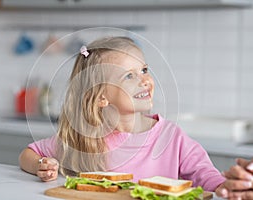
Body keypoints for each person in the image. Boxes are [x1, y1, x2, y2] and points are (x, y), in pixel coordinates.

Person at [19, 36, 225, 192]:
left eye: (144, 70)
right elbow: (28, 154)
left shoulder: (171, 137)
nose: (144, 80)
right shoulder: (83, 138)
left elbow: (205, 174)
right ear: (101, 97)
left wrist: (226, 188)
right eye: (129, 76)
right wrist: (41, 165)